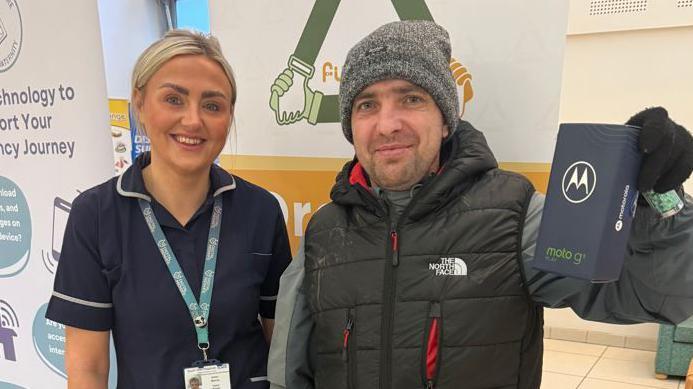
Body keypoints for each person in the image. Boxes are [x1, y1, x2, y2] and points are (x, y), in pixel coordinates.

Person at [267, 20, 693, 389]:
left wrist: (663, 199)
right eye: (366, 105)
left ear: (445, 116)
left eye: (411, 98)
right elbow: (291, 372)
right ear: (350, 125)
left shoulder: (515, 216)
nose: (387, 123)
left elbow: (665, 295)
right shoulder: (324, 233)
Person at [46, 30, 291, 388]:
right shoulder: (96, 216)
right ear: (140, 104)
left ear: (229, 115)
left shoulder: (261, 210)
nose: (193, 121)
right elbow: (88, 368)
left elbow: (281, 344)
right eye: (174, 99)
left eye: (212, 105)